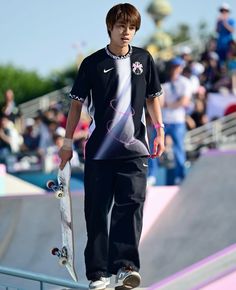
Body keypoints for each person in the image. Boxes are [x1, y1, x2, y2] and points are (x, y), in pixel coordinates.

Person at [59, 3, 165, 290]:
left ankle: (126, 267)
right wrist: (67, 143)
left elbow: (153, 97)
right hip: (100, 151)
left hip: (135, 149)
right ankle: (98, 273)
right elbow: (76, 105)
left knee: (131, 207)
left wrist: (159, 130)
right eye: (121, 26)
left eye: (131, 27)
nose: (126, 32)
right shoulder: (92, 63)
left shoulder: (144, 59)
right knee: (97, 211)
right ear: (110, 28)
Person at [161, 57, 192, 185]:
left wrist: (169, 104)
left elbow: (184, 102)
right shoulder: (164, 82)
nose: (175, 69)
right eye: (173, 66)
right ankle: (151, 176)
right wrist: (173, 103)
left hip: (177, 121)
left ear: (181, 68)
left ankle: (180, 176)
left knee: (179, 150)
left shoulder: (185, 82)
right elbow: (160, 102)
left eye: (178, 67)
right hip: (164, 121)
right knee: (155, 148)